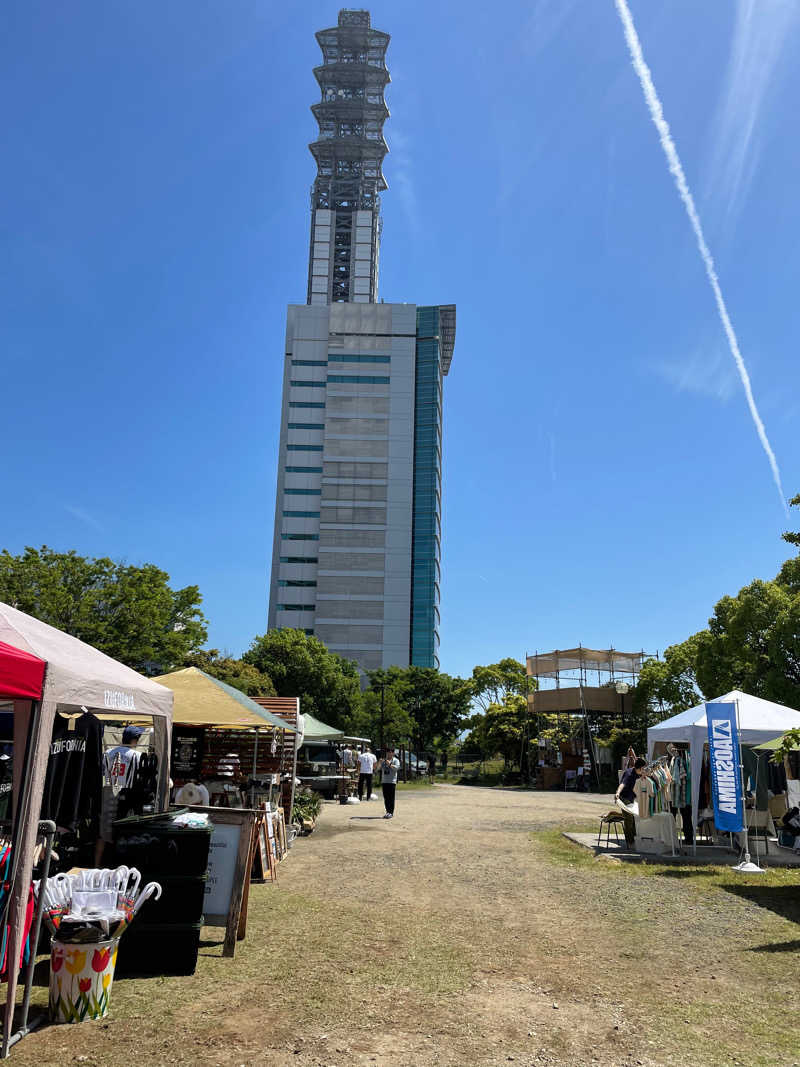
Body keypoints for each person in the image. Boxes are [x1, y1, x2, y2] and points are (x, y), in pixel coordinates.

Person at [615, 756, 647, 848]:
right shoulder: (628, 773)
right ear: (640, 768)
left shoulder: (640, 774)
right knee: (629, 821)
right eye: (643, 768)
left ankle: (634, 840)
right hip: (624, 799)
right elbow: (622, 784)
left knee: (634, 820)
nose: (644, 770)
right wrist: (617, 793)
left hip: (633, 799)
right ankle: (630, 842)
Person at [378, 747, 401, 819]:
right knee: (386, 798)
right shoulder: (384, 761)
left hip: (392, 781)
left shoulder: (396, 760)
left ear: (393, 753)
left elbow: (396, 768)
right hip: (384, 781)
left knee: (391, 798)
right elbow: (377, 769)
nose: (389, 753)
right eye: (388, 752)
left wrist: (390, 764)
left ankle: (391, 812)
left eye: (390, 752)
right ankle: (387, 812)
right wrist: (379, 763)